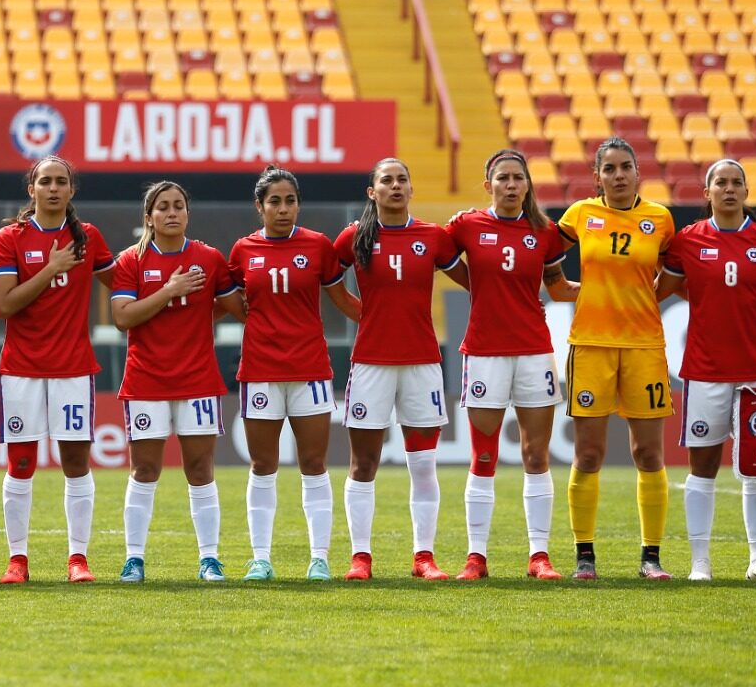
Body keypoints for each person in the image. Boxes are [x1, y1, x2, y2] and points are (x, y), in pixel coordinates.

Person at [443, 149, 578, 580]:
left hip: (535, 351)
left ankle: (539, 555)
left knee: (536, 454)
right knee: (484, 455)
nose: (511, 184)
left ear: (527, 184)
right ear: (489, 185)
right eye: (502, 177)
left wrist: (614, 285)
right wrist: (474, 285)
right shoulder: (466, 225)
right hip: (483, 352)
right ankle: (476, 557)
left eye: (518, 177)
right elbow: (434, 254)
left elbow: (557, 287)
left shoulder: (545, 232)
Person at [657, 159, 756, 581]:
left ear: (747, 192)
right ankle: (701, 562)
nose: (729, 189)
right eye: (721, 182)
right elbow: (661, 289)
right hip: (705, 371)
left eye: (737, 183)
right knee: (703, 466)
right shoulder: (687, 241)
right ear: (707, 191)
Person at [334, 158, 466, 581]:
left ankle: (423, 557)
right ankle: (361, 558)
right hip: (370, 363)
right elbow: (329, 282)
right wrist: (364, 315)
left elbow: (474, 279)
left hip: (422, 363)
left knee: (423, 465)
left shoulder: (433, 237)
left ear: (411, 189)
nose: (395, 185)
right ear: (372, 192)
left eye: (402, 179)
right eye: (386, 180)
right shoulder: (353, 238)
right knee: (364, 463)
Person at [228, 165, 361, 581]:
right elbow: (227, 302)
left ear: (298, 203)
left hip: (310, 370)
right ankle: (261, 558)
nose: (283, 209)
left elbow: (342, 298)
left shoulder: (319, 247)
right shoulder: (242, 251)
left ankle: (319, 557)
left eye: (290, 201)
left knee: (314, 463)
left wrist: (386, 321)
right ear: (259, 206)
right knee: (263, 465)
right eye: (274, 202)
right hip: (261, 371)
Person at [110, 181, 245, 583]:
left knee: (200, 469)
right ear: (148, 216)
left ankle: (210, 559)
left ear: (188, 213)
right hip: (146, 380)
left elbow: (234, 307)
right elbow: (122, 318)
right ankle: (134, 558)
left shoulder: (208, 258)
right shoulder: (130, 261)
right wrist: (170, 291)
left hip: (198, 380)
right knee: (145, 469)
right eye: (163, 207)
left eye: (179, 206)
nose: (172, 213)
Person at [0, 155, 116, 583]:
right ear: (32, 189)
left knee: (76, 462)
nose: (53, 188)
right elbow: (5, 304)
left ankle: (77, 559)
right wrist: (51, 269)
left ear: (71, 190)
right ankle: (17, 559)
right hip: (22, 368)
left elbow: (124, 283)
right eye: (45, 181)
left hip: (73, 367)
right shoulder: (11, 237)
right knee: (21, 463)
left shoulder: (89, 238)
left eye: (61, 181)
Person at [558, 136, 676, 580]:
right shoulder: (580, 215)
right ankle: (584, 556)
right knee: (588, 454)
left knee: (648, 453)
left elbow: (675, 273)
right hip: (590, 345)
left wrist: (648, 297)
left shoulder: (660, 219)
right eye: (610, 169)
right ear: (597, 177)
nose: (619, 175)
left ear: (638, 172)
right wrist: (565, 289)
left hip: (645, 346)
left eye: (626, 167)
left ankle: (651, 557)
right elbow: (547, 255)